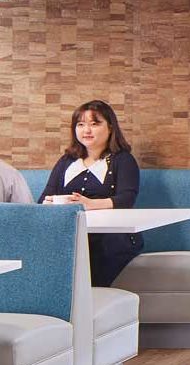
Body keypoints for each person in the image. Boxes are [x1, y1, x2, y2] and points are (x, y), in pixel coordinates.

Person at [38, 100, 142, 287]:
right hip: (72, 234)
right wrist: (52, 203)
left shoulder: (123, 160)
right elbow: (43, 199)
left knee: (93, 255)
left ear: (110, 127)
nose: (86, 130)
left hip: (112, 238)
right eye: (80, 124)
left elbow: (127, 199)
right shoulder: (67, 161)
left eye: (94, 124)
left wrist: (91, 204)